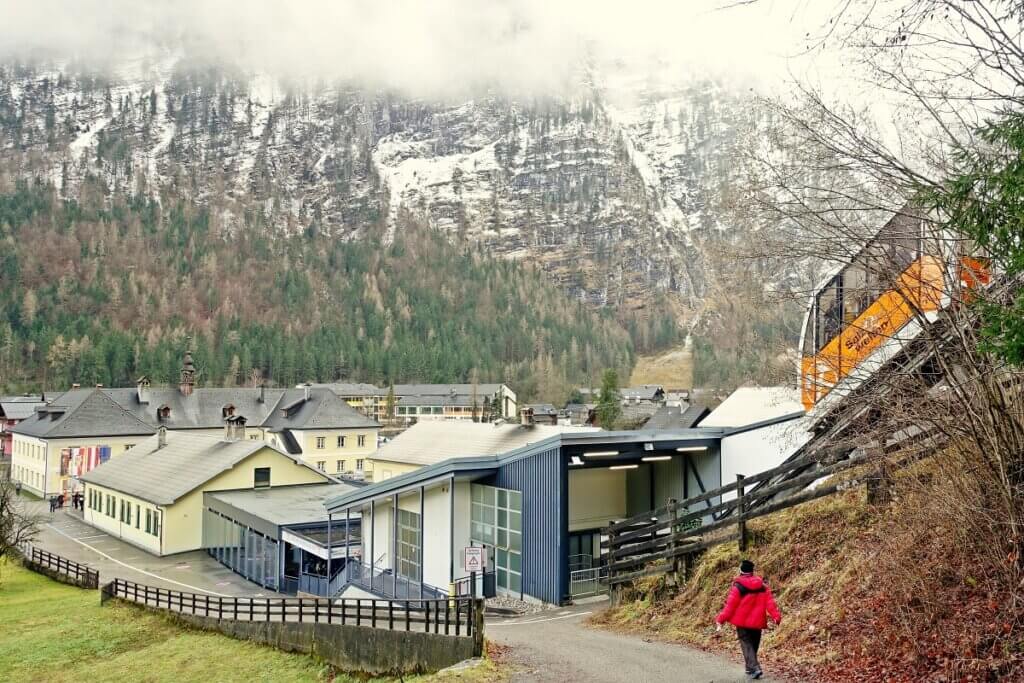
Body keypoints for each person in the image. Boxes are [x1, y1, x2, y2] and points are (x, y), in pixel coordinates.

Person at [715, 559, 781, 680]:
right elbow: (770, 603)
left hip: (742, 622)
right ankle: (750, 667)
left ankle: (755, 667)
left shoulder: (738, 586)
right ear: (752, 571)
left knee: (747, 645)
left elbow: (730, 606)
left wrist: (720, 619)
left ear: (741, 571)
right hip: (758, 621)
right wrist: (776, 616)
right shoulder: (762, 586)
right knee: (753, 645)